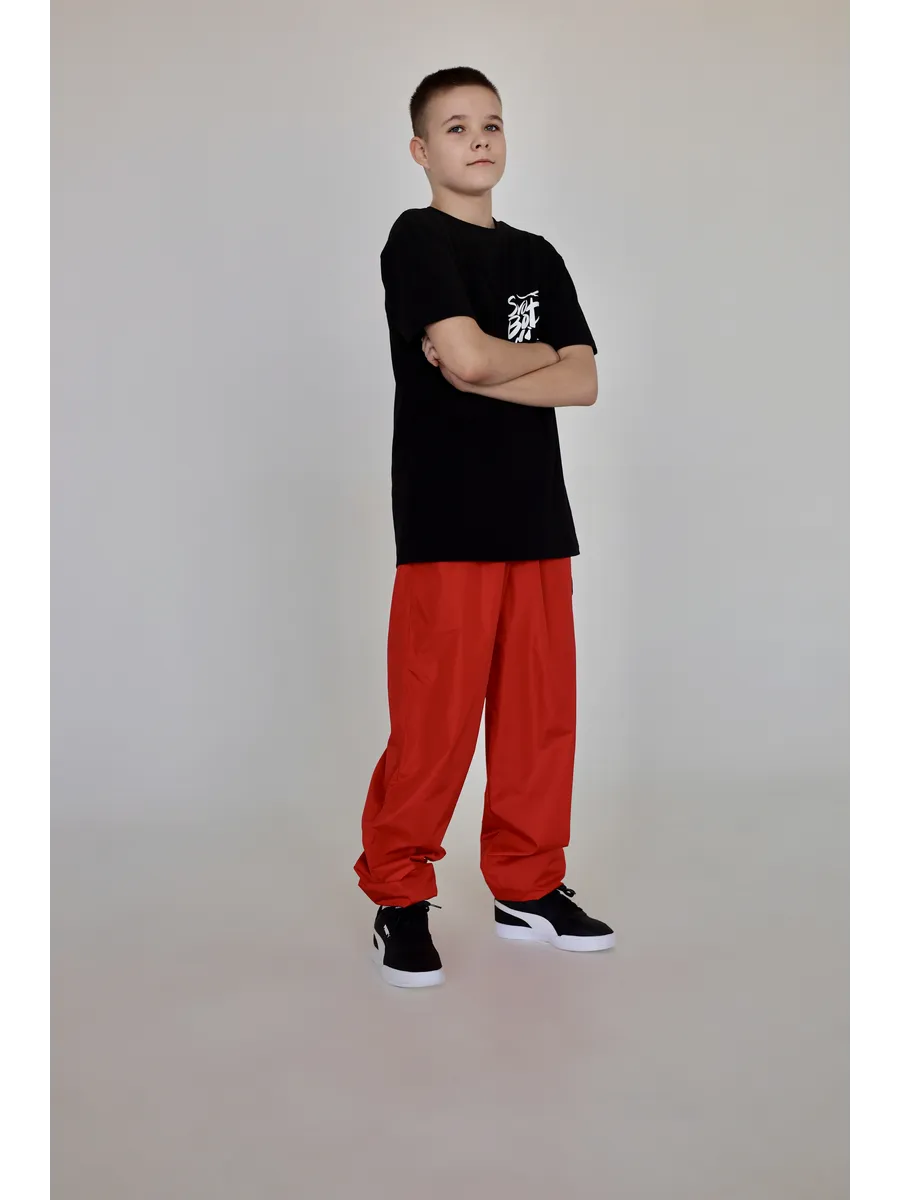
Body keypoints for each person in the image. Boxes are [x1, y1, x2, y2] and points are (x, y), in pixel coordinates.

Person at [354, 66, 615, 987]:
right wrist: (524, 361)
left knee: (541, 719)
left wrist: (507, 360)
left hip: (536, 518)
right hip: (449, 518)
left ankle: (527, 885)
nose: (479, 139)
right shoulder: (416, 238)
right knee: (434, 720)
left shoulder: (538, 255)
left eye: (492, 124)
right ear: (421, 149)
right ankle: (397, 895)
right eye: (457, 127)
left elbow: (582, 379)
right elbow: (463, 361)